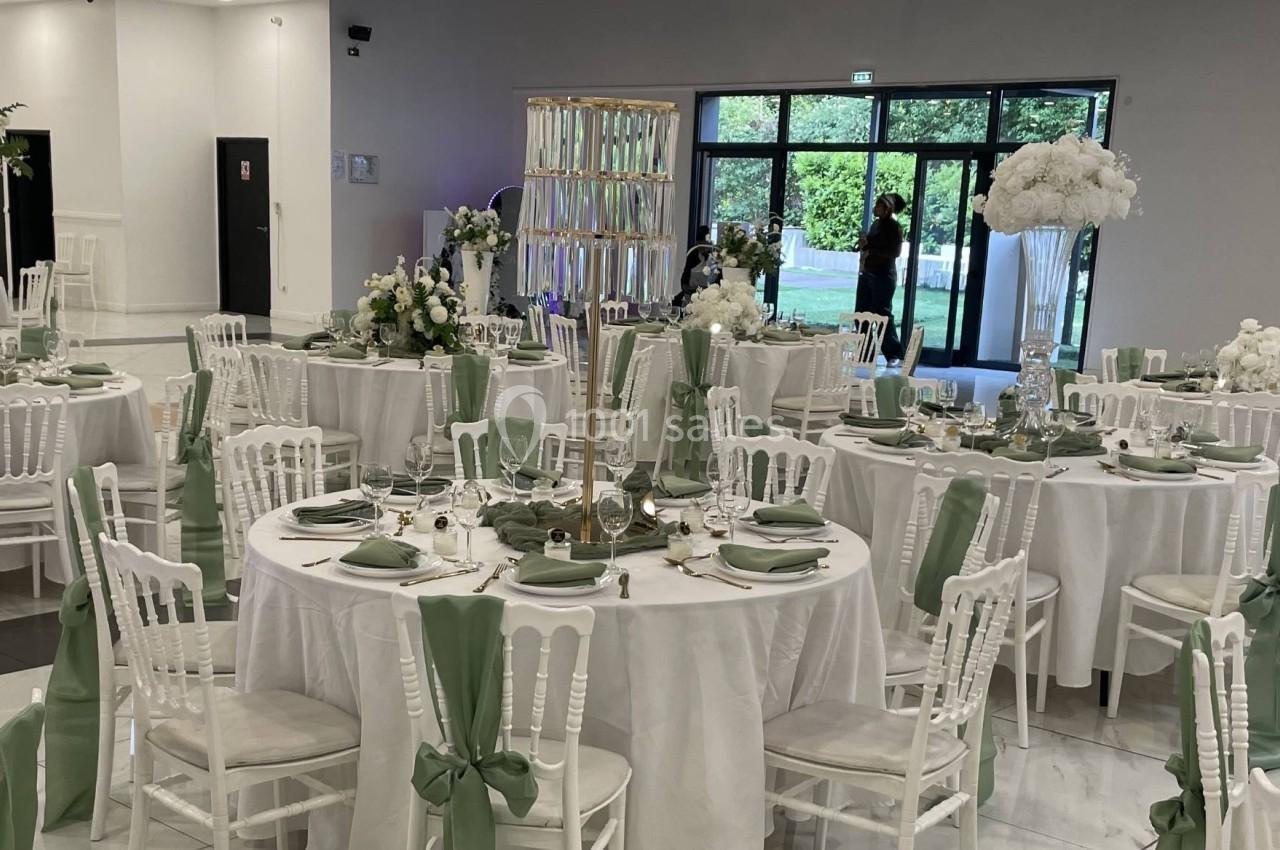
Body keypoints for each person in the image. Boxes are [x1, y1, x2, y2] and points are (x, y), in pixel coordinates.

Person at [854, 193, 907, 363]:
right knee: (861, 313)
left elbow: (895, 252)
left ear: (887, 209)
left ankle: (893, 353)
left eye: (879, 205)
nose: (875, 208)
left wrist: (871, 248)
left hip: (884, 275)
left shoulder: (894, 227)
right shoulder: (876, 224)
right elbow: (869, 244)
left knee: (882, 314)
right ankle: (865, 352)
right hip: (868, 272)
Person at [675, 226, 714, 308]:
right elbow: (685, 277)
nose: (703, 248)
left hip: (709, 295)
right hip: (691, 292)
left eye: (705, 245)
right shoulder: (693, 253)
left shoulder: (713, 256)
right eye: (700, 245)